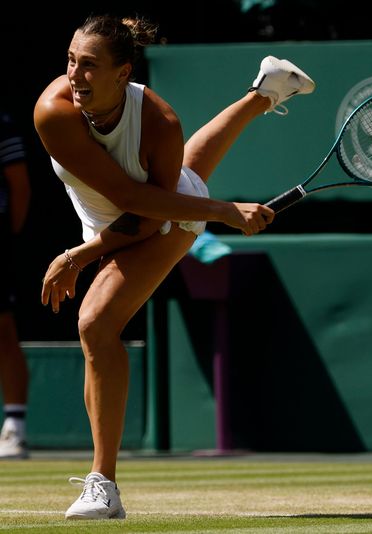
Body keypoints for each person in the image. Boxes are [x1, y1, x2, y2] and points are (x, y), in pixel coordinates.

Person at [34, 14, 315, 519]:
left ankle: (104, 486)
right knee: (194, 179)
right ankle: (264, 91)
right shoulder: (53, 111)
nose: (75, 75)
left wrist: (82, 254)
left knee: (96, 325)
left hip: (162, 224)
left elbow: (145, 217)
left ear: (123, 75)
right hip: (121, 214)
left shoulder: (159, 121)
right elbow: (122, 195)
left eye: (90, 66)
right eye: (72, 61)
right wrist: (226, 211)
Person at [0, 109, 32, 460]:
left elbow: (19, 186)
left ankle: (15, 428)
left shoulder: (3, 122)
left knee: (3, 328)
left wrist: (9, 238)